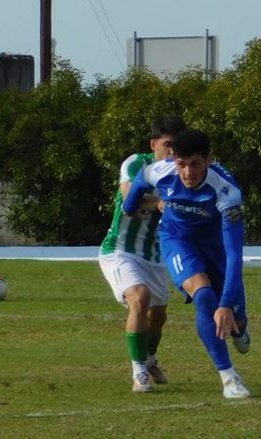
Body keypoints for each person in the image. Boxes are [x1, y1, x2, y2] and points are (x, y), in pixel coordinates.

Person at [122, 128, 252, 399]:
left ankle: (240, 325)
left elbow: (234, 254)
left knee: (234, 318)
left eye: (195, 164)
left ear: (208, 161)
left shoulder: (226, 190)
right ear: (173, 159)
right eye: (182, 164)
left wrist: (227, 304)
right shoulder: (160, 171)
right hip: (177, 241)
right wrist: (130, 206)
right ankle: (229, 378)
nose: (188, 173)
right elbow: (139, 184)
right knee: (204, 297)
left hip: (216, 248)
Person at [99, 115, 187, 393]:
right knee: (139, 297)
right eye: (168, 145)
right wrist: (160, 202)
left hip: (154, 255)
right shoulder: (137, 163)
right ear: (153, 144)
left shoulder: (183, 172)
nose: (172, 152)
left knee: (158, 317)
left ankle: (149, 359)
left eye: (177, 146)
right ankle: (139, 373)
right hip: (120, 251)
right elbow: (129, 198)